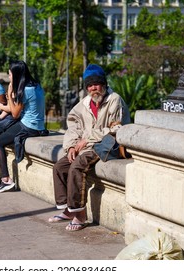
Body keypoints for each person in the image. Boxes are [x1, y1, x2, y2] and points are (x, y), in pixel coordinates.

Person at [48, 64, 130, 231]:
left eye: (97, 84)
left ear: (104, 84)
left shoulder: (114, 99)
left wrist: (87, 140)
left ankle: (80, 215)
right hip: (86, 145)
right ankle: (68, 210)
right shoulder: (84, 103)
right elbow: (73, 126)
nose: (94, 88)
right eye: (90, 85)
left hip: (106, 144)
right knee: (60, 166)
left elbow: (116, 128)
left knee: (77, 167)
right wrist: (71, 147)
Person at [0, 60, 46, 193]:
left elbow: (15, 114)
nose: (9, 76)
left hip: (29, 127)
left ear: (16, 75)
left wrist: (10, 95)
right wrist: (0, 112)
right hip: (36, 124)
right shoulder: (35, 85)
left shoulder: (25, 90)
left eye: (10, 74)